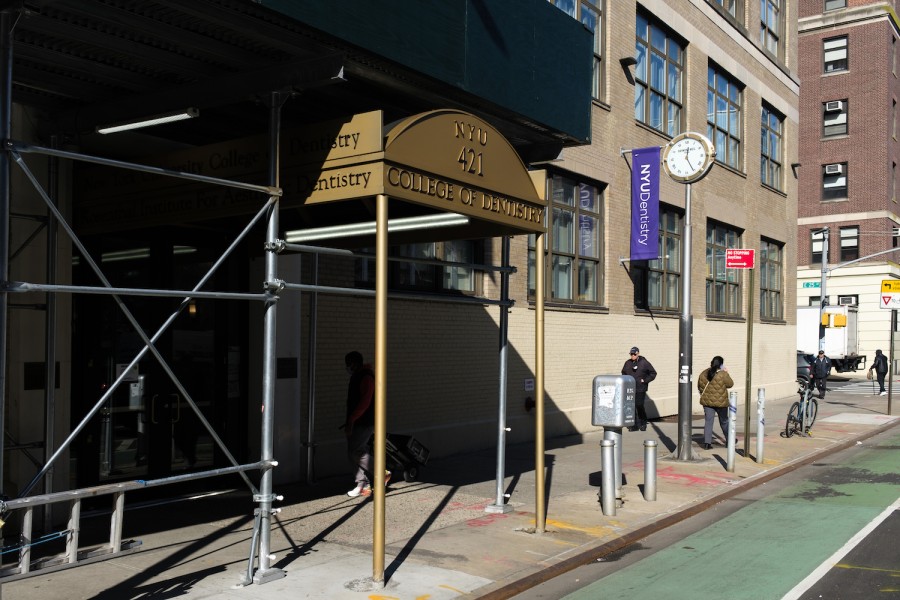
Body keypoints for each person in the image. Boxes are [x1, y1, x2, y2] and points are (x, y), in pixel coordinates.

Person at [343, 351, 390, 498]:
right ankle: (361, 484)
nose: (347, 367)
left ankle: (381, 472)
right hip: (358, 420)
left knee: (356, 451)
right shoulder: (358, 377)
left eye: (349, 364)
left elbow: (365, 402)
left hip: (363, 421)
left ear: (356, 363)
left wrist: (352, 419)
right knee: (354, 451)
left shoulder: (366, 377)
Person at [697, 355, 734, 449]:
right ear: (721, 364)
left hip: (707, 403)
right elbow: (730, 384)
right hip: (721, 403)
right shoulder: (723, 374)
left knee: (708, 422)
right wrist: (726, 373)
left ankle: (707, 443)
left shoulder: (703, 373)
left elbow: (699, 386)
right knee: (724, 421)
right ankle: (729, 441)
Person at [621, 346, 657, 431]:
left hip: (641, 388)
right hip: (630, 389)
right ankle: (634, 425)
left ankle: (643, 422)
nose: (632, 355)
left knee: (639, 405)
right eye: (631, 354)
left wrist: (644, 380)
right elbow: (623, 373)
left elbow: (653, 373)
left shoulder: (644, 363)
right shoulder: (627, 363)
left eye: (634, 354)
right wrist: (626, 381)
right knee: (631, 406)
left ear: (638, 353)